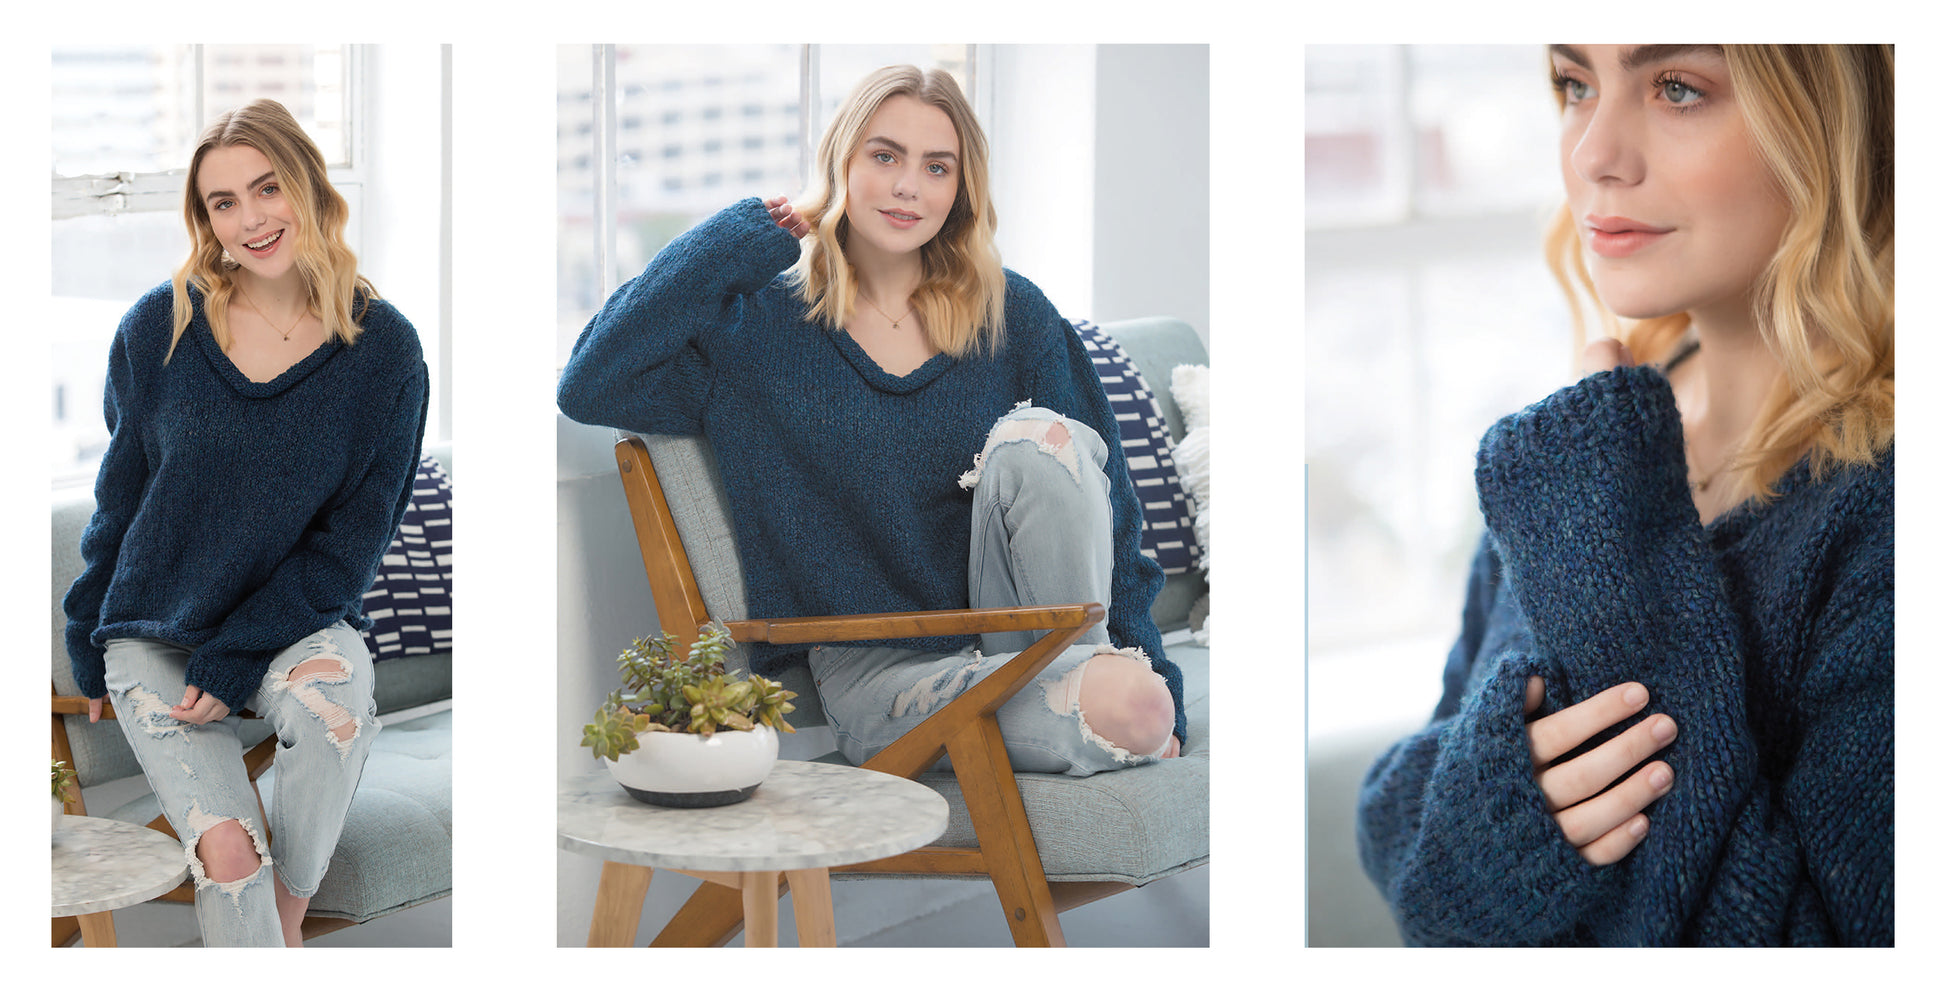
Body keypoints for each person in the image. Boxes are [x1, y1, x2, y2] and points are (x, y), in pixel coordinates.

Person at [1355, 45, 1893, 946]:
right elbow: (1390, 821)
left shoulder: (1887, 523)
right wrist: (1505, 834)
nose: (1594, 152)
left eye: (1678, 89)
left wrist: (1614, 544)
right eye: (1575, 86)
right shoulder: (1593, 443)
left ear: (1835, 121)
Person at [558, 65, 1184, 778]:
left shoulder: (1016, 315)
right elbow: (592, 381)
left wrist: (1163, 683)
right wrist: (749, 233)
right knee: (1133, 708)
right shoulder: (757, 332)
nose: (908, 186)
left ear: (961, 188)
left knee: (1045, 439)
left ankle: (1100, 677)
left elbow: (1116, 519)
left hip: (1031, 640)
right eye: (884, 156)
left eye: (936, 166)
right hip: (885, 680)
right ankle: (1109, 700)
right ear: (841, 166)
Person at [63, 98, 429, 947]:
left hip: (295, 622)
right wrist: (86, 633)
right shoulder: (159, 325)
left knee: (336, 713)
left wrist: (236, 655)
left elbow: (350, 545)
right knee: (227, 853)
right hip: (155, 628)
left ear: (310, 186)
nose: (251, 218)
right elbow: (119, 499)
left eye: (268, 188)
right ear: (205, 219)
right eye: (223, 202)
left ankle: (286, 928)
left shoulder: (385, 352)